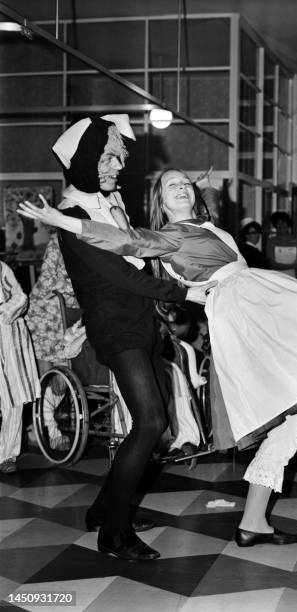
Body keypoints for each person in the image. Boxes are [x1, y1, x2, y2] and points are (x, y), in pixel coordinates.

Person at [20, 168, 297, 549]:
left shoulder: (207, 226)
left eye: (185, 183)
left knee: (289, 417)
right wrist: (62, 218)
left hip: (258, 298)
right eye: (170, 185)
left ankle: (253, 521)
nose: (180, 186)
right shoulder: (166, 236)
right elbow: (120, 241)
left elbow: (205, 262)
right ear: (160, 200)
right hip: (249, 310)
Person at [31, 115, 207, 562]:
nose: (116, 166)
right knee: (151, 423)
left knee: (151, 421)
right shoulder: (72, 216)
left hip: (141, 326)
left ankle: (102, 510)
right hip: (114, 328)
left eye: (117, 158)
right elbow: (119, 275)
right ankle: (114, 533)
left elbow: (141, 255)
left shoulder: (110, 203)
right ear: (86, 160)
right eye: (108, 157)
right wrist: (186, 293)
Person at [25, 233, 79, 451]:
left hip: (70, 316)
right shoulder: (60, 239)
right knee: (47, 379)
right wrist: (79, 288)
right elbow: (47, 278)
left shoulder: (94, 240)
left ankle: (39, 427)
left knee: (61, 381)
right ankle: (49, 429)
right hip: (43, 315)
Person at [0, 260, 40, 474]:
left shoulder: (1, 268)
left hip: (8, 338)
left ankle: (7, 454)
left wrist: (5, 313)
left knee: (13, 396)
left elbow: (20, 297)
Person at [265, 210, 297, 278]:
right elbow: (272, 264)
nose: (281, 225)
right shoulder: (271, 241)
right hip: (276, 278)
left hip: (293, 278)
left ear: (288, 224)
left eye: (284, 222)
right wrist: (292, 266)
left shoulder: (296, 241)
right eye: (278, 223)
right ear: (275, 225)